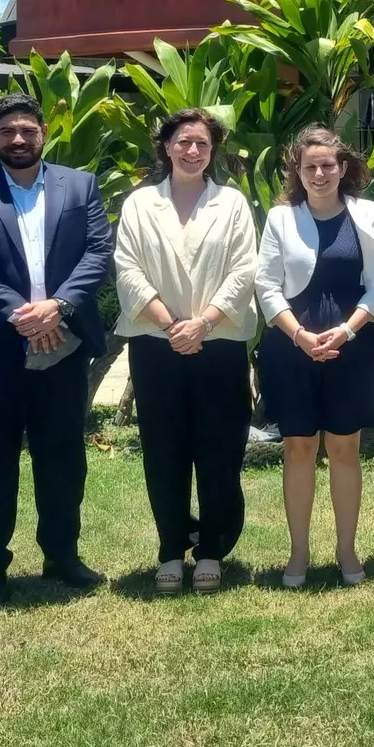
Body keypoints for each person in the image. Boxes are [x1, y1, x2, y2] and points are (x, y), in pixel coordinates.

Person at [0, 92, 114, 607]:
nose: (19, 139)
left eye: (28, 131)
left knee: (62, 456)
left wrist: (56, 307)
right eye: (8, 131)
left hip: (62, 346)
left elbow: (98, 250)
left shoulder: (80, 185)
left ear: (43, 134)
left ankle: (62, 554)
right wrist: (23, 314)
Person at [112, 108, 258, 596]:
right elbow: (128, 269)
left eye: (202, 143)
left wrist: (205, 322)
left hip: (219, 345)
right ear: (166, 147)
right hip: (157, 346)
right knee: (164, 450)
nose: (192, 150)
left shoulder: (232, 204)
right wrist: (173, 325)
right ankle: (171, 549)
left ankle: (212, 549)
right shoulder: (138, 204)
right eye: (183, 142)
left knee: (220, 450)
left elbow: (245, 271)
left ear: (212, 151)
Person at [255, 126, 374, 588]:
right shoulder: (281, 219)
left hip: (351, 346)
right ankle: (298, 553)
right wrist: (299, 336)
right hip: (291, 347)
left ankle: (347, 549)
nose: (319, 173)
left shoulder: (366, 213)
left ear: (343, 168)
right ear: (298, 170)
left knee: (343, 447)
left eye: (328, 165)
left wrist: (346, 331)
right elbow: (266, 285)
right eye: (310, 166)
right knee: (298, 447)